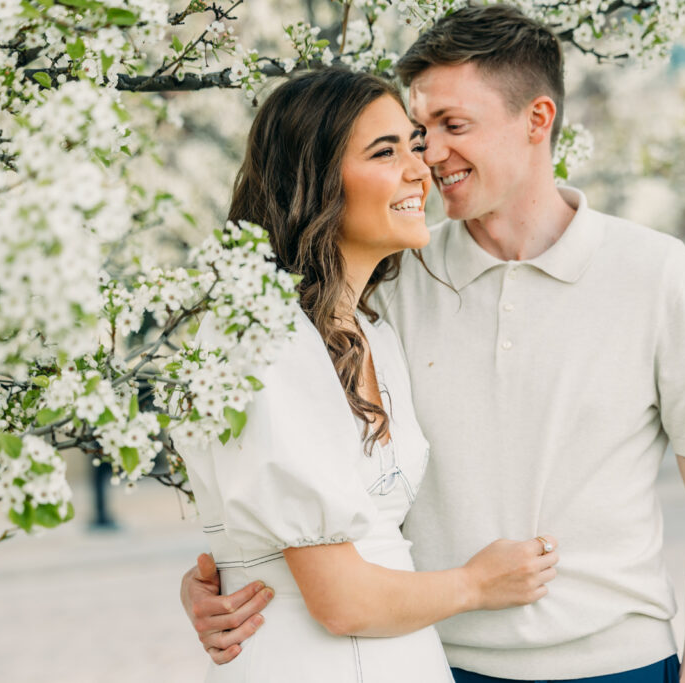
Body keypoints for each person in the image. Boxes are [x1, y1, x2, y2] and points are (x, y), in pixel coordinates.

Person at [182, 5, 685, 683]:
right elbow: (294, 482)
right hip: (432, 660)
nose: (429, 156)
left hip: (620, 664)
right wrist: (225, 576)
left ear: (537, 120)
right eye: (417, 132)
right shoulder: (387, 285)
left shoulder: (657, 275)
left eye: (453, 127)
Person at [174, 67, 561, 683]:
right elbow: (341, 599)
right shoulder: (266, 334)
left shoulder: (372, 334)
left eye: (414, 145)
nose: (419, 169)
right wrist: (477, 584)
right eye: (386, 152)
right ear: (315, 180)